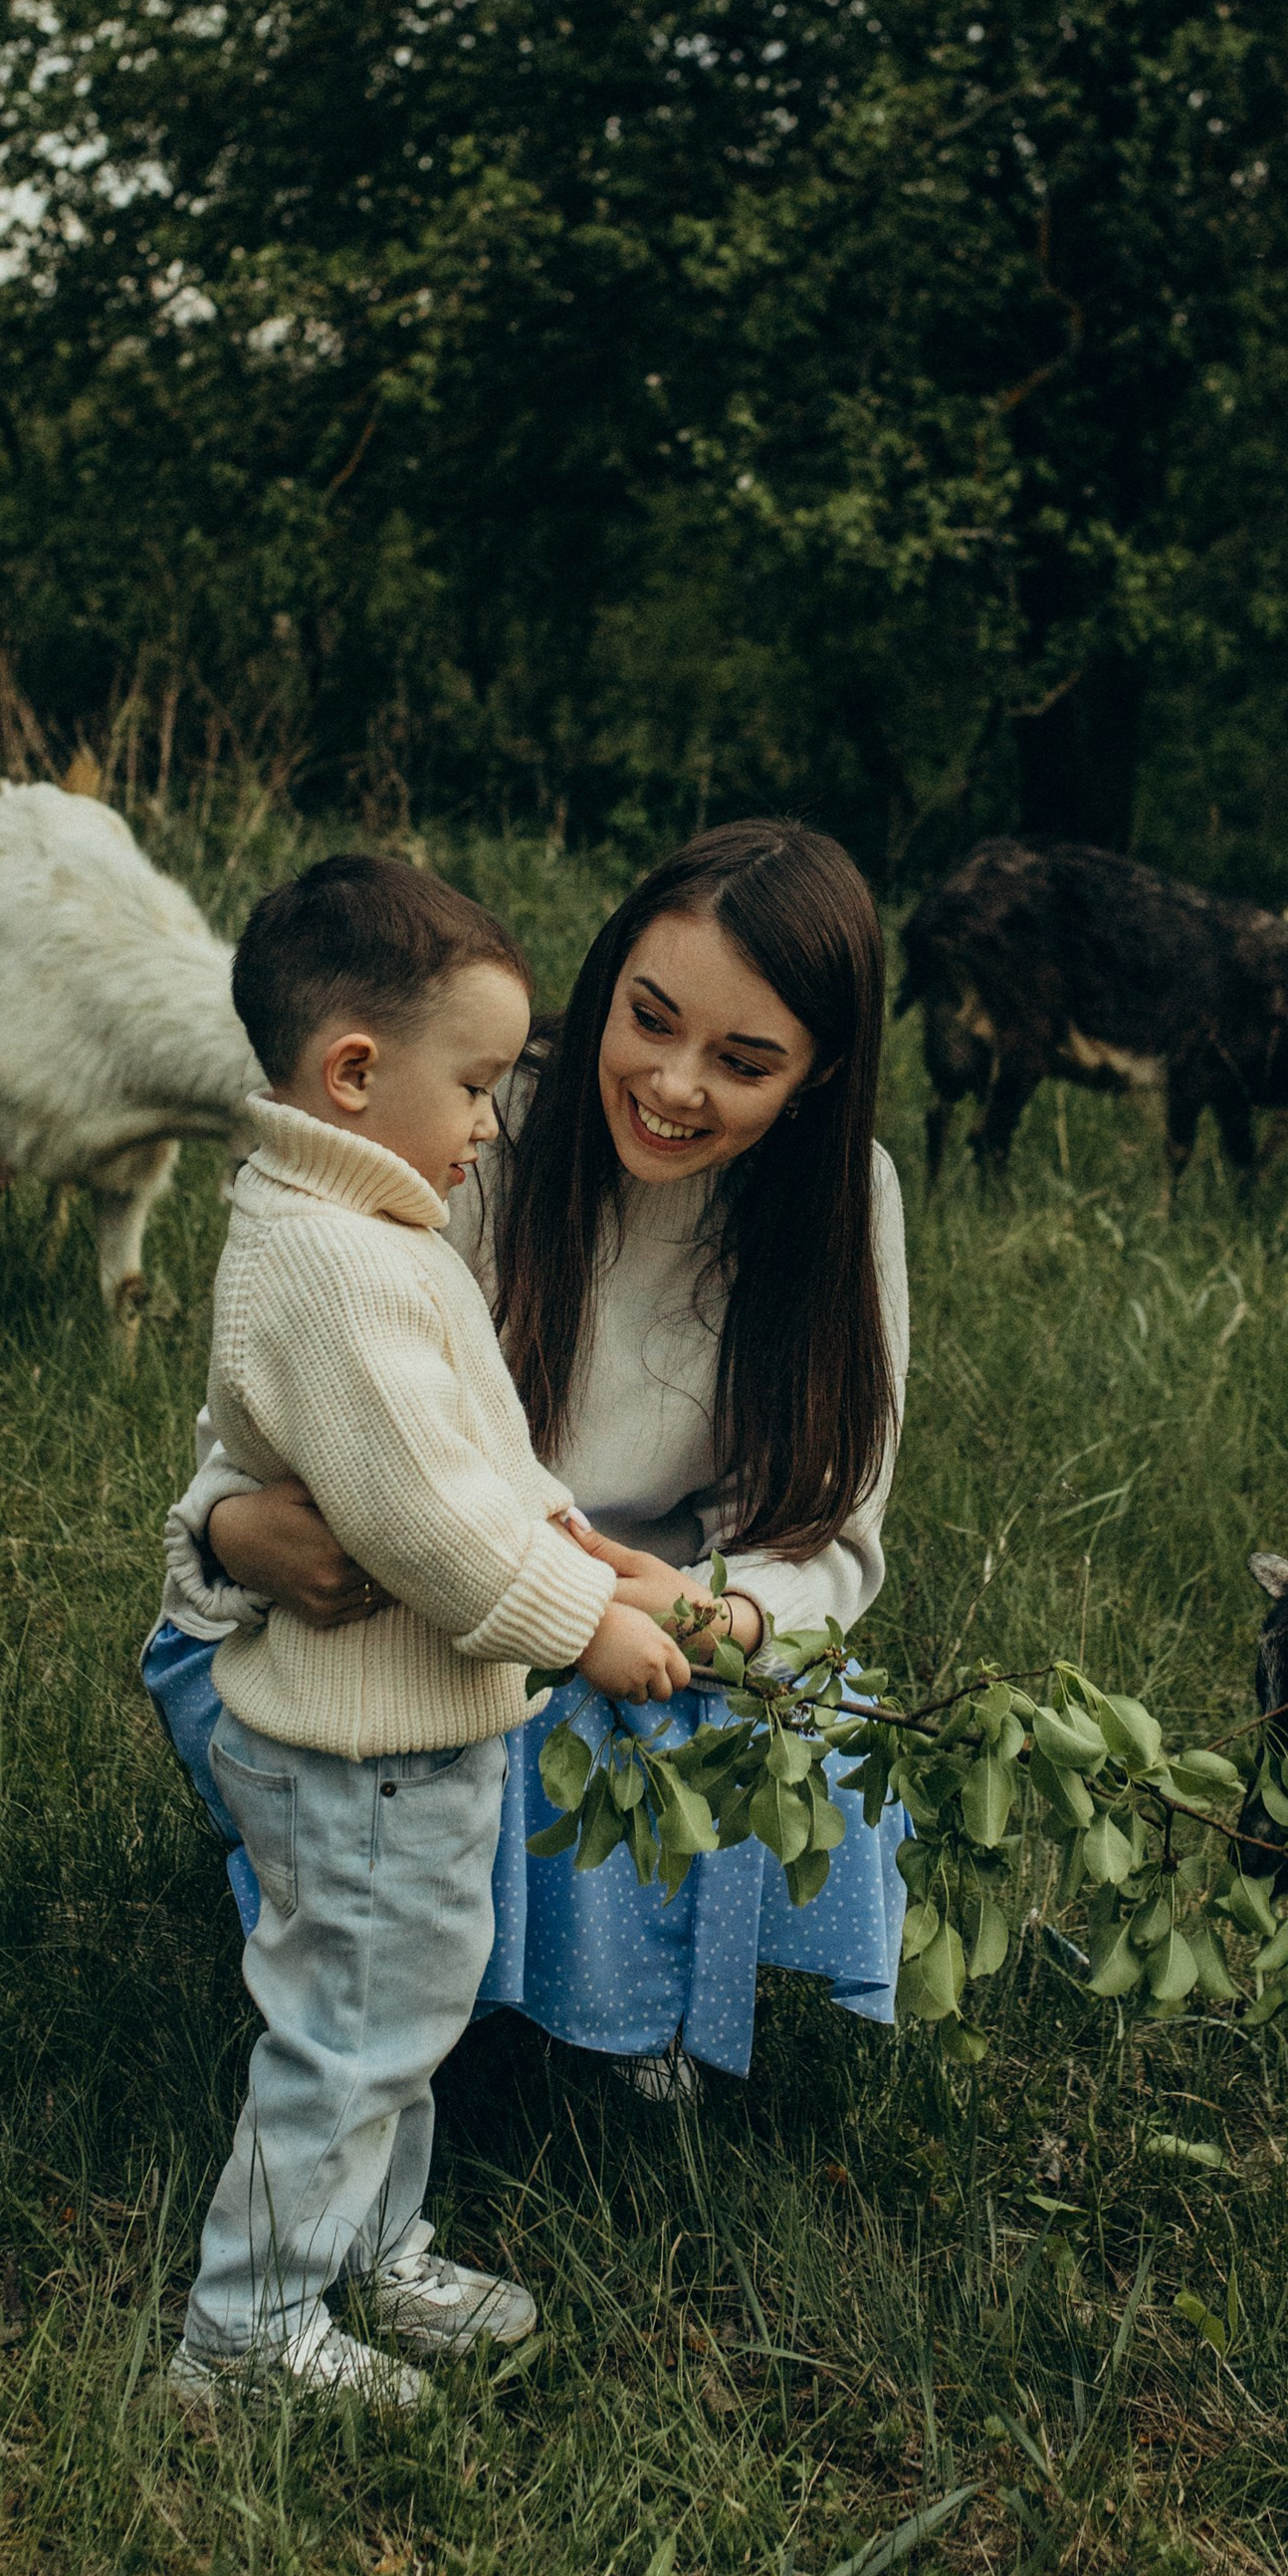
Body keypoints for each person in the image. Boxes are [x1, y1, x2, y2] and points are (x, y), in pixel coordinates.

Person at [152, 819, 909, 2094]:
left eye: (741, 1060)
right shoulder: (464, 1119)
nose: (672, 1083)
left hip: (644, 1618)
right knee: (468, 1719)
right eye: (648, 1018)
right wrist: (237, 1532)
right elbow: (270, 1413)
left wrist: (713, 1610)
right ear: (606, 978)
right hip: (412, 1598)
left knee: (794, 1738)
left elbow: (826, 1539)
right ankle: (438, 2015)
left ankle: (601, 2023)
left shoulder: (842, 1204)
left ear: (815, 1077)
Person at [161, 853, 689, 2407]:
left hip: (409, 1736)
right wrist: (578, 1615)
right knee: (351, 2028)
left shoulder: (368, 1226)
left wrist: (560, 1523)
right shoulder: (330, 1264)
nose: (488, 1122)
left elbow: (473, 1452)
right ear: (352, 1071)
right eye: (474, 1085)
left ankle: (367, 2247)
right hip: (360, 1747)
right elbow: (414, 1518)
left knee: (411, 2010)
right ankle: (246, 2330)